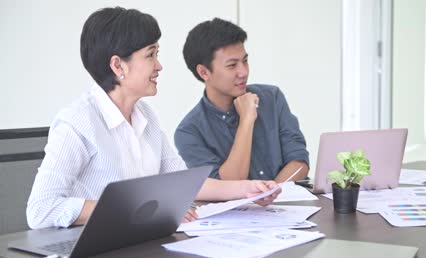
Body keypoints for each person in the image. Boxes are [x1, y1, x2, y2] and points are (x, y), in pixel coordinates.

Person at [26, 7, 280, 230]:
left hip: (135, 242)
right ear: (118, 66)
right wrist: (139, 208)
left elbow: (183, 183)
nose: (159, 66)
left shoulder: (145, 115)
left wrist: (248, 190)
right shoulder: (77, 122)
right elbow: (41, 209)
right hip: (90, 249)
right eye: (150, 55)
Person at [175, 18, 309, 183]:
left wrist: (273, 193)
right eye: (232, 66)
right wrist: (246, 120)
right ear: (204, 72)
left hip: (289, 202)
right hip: (236, 209)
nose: (243, 72)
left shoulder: (271, 98)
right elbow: (228, 183)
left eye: (245, 61)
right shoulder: (189, 132)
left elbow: (299, 162)